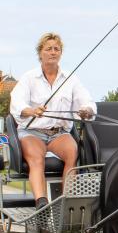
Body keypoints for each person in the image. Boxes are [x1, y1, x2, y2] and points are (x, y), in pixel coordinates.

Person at [10, 32, 97, 209]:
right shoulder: (28, 78)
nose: (53, 52)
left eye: (56, 49)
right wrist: (32, 110)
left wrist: (86, 111)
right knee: (36, 159)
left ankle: (67, 204)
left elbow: (87, 102)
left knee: (72, 153)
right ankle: (42, 203)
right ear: (40, 53)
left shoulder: (71, 79)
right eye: (48, 48)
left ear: (61, 53)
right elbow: (17, 103)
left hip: (59, 134)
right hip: (32, 132)